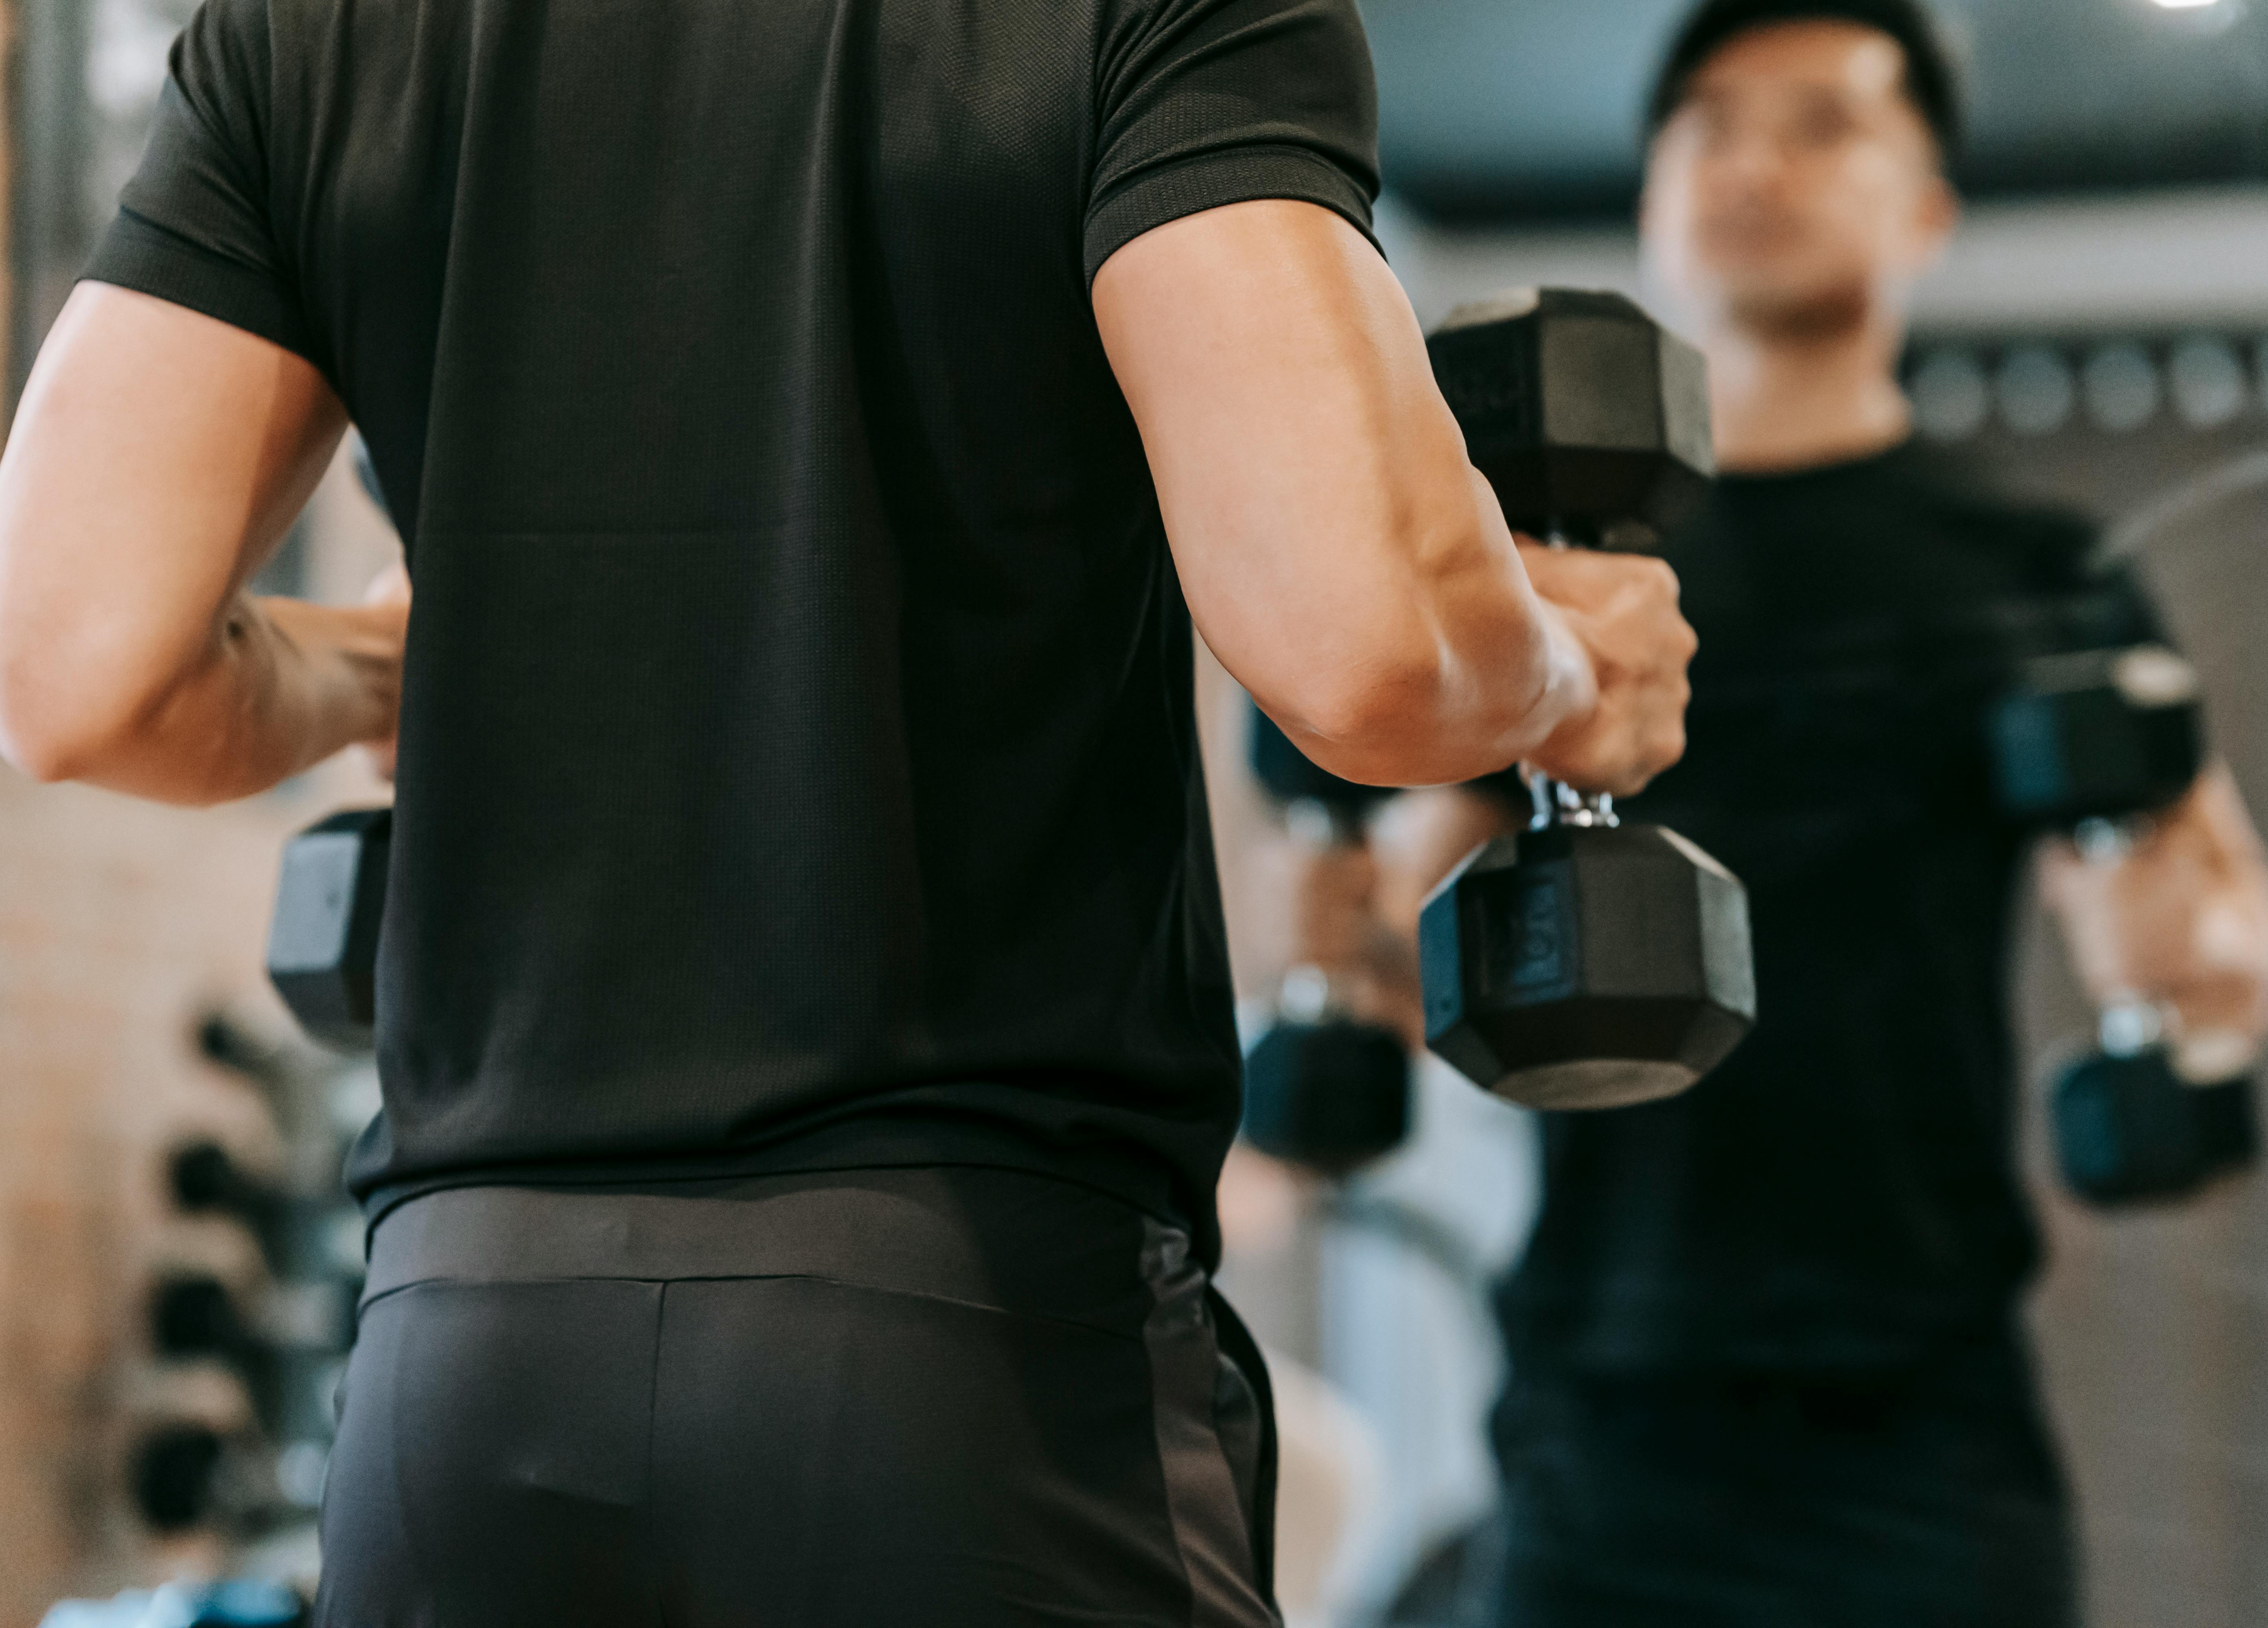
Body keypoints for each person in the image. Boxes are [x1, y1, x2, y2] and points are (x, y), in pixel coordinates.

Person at [0, 0, 1705, 1619]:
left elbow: (73, 675)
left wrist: (375, 676)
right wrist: (1569, 669)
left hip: (456, 1366)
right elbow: (1372, 648)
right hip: (963, 1351)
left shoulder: (316, 30)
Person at [1266, 2, 2268, 1622]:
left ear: (1929, 204)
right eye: (1708, 124)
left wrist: (2191, 967)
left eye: (1819, 122)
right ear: (1656, 189)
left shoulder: (2031, 573)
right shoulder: (1533, 582)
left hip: (1919, 1423)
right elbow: (1401, 926)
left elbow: (2220, 918)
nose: (1750, 161)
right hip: (1599, 1411)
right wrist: (1347, 941)